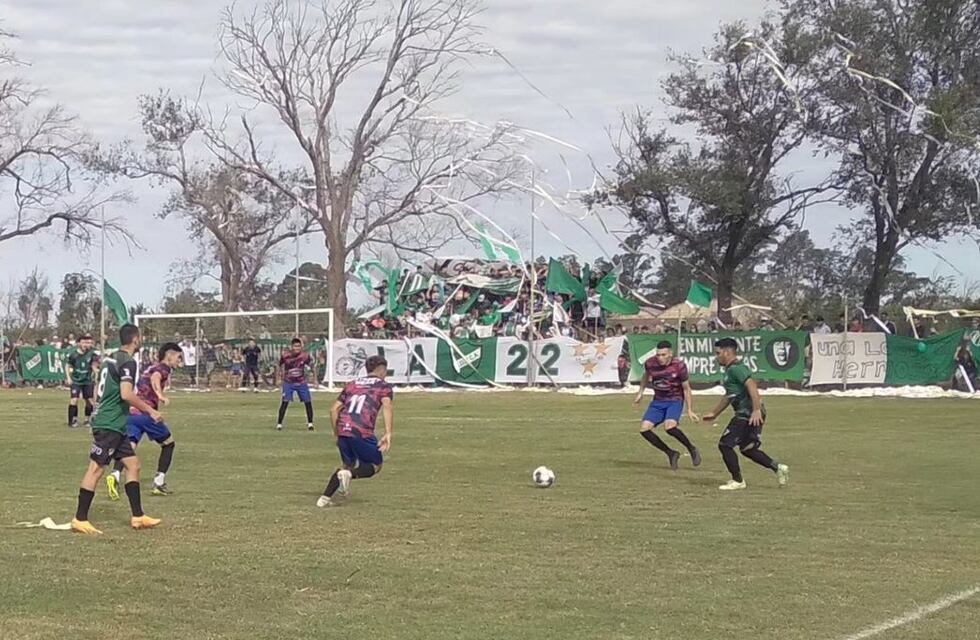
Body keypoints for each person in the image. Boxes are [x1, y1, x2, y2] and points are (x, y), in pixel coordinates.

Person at [70, 324, 161, 534]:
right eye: (141, 337)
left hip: (115, 423)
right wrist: (150, 411)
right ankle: (80, 518)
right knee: (96, 468)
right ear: (136, 339)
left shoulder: (109, 359)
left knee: (133, 464)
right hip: (109, 423)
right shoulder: (128, 361)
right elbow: (126, 394)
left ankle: (138, 516)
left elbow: (97, 389)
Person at [701, 338, 789, 491]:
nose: (716, 356)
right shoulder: (730, 371)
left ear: (727, 352)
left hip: (747, 413)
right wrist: (714, 413)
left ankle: (738, 480)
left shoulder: (736, 368)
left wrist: (755, 410)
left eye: (718, 353)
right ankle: (778, 467)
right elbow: (729, 396)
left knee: (725, 445)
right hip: (748, 412)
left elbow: (752, 386)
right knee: (748, 449)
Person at [107, 342, 182, 499]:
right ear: (169, 355)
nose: (179, 361)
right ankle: (159, 482)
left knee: (129, 446)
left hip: (132, 411)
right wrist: (160, 395)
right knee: (169, 443)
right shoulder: (163, 368)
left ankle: (115, 475)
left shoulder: (151, 366)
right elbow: (156, 379)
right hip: (146, 413)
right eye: (178, 357)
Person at [317, 356, 393, 508]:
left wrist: (337, 434)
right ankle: (349, 475)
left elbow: (334, 410)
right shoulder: (383, 386)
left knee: (347, 464)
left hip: (343, 428)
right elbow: (387, 406)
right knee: (375, 466)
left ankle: (324, 499)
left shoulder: (352, 384)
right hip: (361, 431)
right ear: (382, 370)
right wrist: (388, 432)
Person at [633, 341, 701, 469]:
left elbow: (686, 388)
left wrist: (690, 410)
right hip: (658, 401)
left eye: (663, 355)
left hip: (674, 400)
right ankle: (671, 453)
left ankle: (691, 448)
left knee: (670, 427)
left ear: (670, 354)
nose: (660, 358)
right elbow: (646, 375)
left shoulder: (679, 366)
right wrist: (640, 392)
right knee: (644, 429)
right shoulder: (650, 363)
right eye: (658, 355)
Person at [276, 338, 314, 431]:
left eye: (299, 346)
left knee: (308, 402)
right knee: (285, 402)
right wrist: (278, 377)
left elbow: (312, 366)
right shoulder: (285, 356)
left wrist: (315, 379)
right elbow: (278, 365)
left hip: (301, 382)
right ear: (291, 347)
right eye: (295, 346)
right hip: (289, 382)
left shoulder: (305, 356)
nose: (297, 348)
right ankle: (279, 424)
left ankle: (310, 423)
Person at [65, 335, 99, 428]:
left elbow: (94, 365)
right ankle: (72, 420)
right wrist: (68, 377)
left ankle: (88, 419)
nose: (86, 345)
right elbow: (67, 365)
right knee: (74, 399)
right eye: (84, 342)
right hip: (76, 380)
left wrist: (96, 374)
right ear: (79, 343)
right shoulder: (73, 354)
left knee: (89, 400)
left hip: (87, 380)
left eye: (88, 343)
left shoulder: (92, 354)